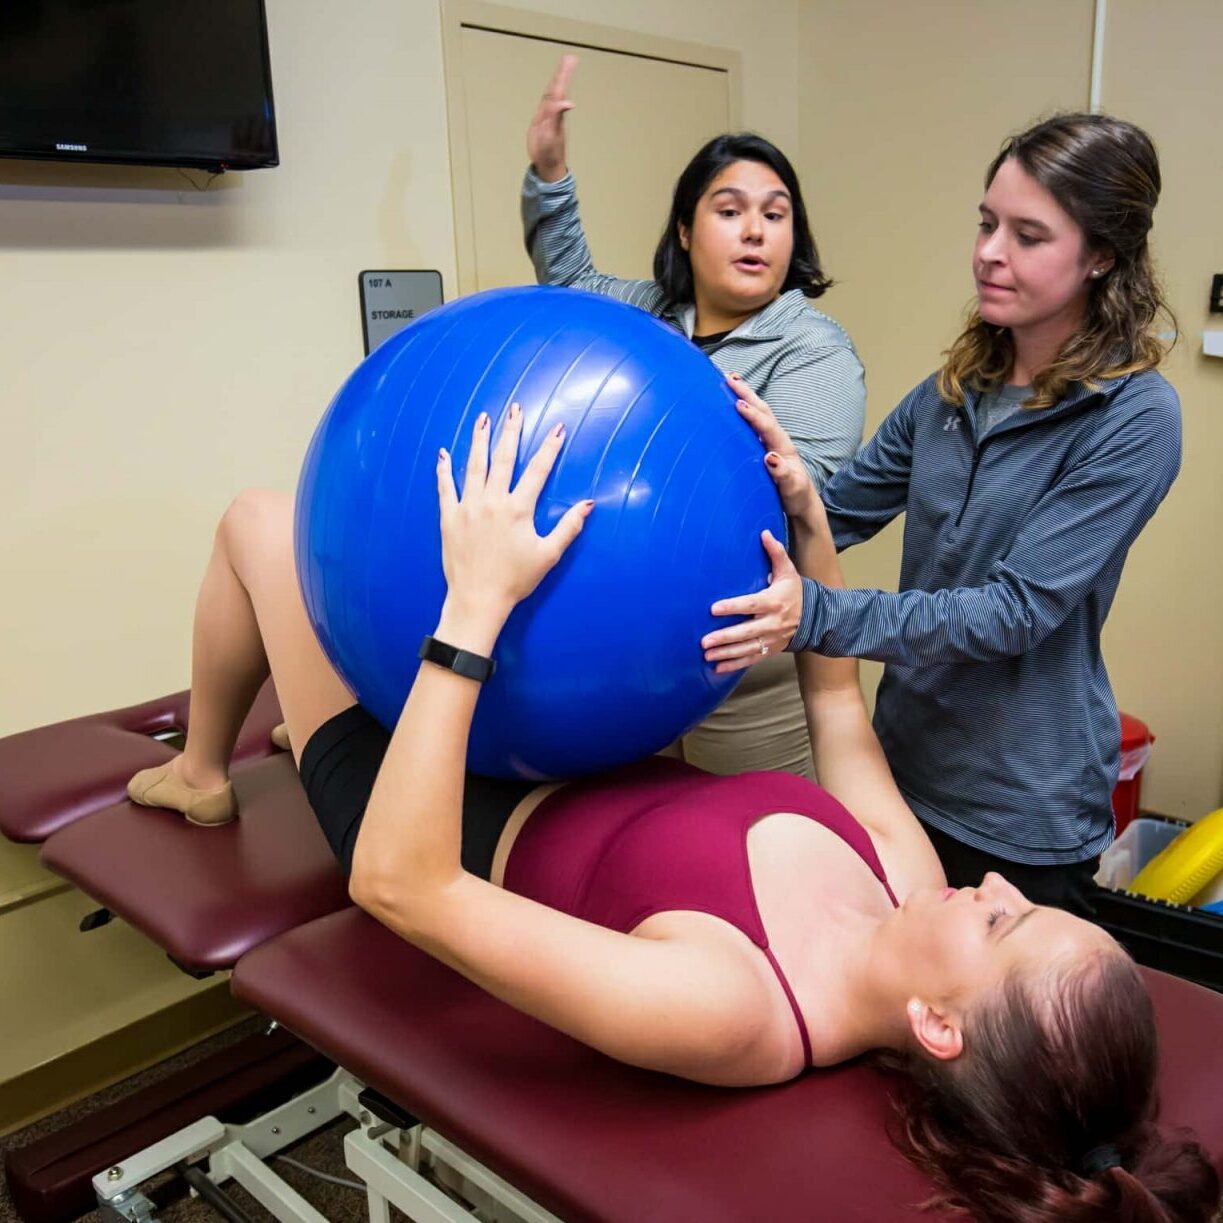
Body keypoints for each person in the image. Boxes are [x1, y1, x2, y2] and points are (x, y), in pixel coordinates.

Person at [127, 405, 1216, 1222]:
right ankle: (349, 687)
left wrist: (474, 605)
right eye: (1019, 899)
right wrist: (807, 525)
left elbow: (401, 885)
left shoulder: (730, 1008)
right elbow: (833, 695)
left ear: (939, 1024)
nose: (996, 884)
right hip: (567, 726)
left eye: (1000, 923)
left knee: (260, 522)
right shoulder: (904, 875)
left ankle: (202, 770)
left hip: (432, 809)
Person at [702, 113, 1180, 916]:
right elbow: (838, 508)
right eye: (987, 222)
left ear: (1101, 255)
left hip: (1017, 811)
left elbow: (1010, 613)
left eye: (1029, 234)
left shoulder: (1134, 416)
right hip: (900, 771)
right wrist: (723, 516)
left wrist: (811, 613)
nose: (989, 252)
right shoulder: (951, 392)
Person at [521, 55, 865, 780]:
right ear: (684, 231)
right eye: (730, 210)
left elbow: (794, 503)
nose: (755, 232)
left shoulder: (814, 349)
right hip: (629, 659)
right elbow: (572, 281)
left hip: (749, 671)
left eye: (775, 216)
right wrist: (550, 173)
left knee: (743, 868)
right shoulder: (651, 318)